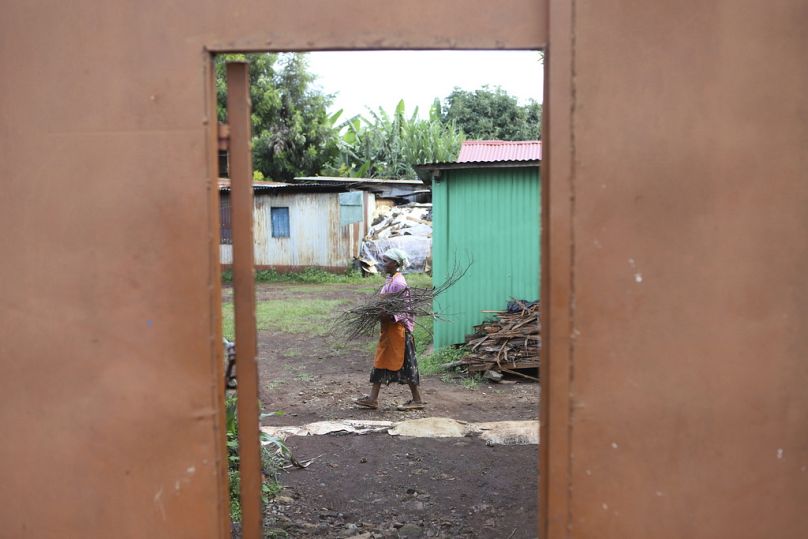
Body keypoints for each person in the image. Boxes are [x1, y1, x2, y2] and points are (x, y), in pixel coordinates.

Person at [354, 248, 424, 411]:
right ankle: (372, 399)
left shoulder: (399, 283)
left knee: (407, 364)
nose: (383, 264)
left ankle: (417, 400)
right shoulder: (391, 279)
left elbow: (406, 309)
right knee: (381, 360)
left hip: (399, 330)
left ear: (395, 263)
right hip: (389, 329)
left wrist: (389, 316)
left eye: (386, 261)